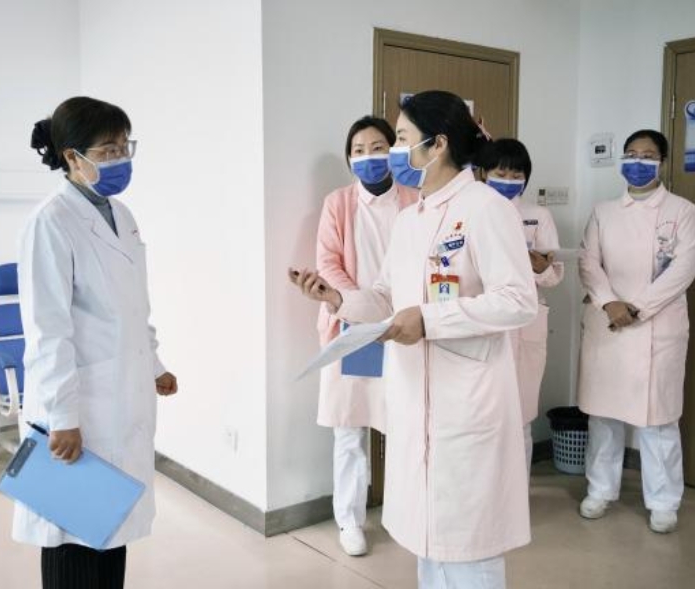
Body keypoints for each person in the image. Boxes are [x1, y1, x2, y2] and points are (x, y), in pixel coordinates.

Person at [290, 91, 537, 589]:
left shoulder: (486, 208)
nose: (395, 152)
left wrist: (428, 320)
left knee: (468, 546)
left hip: (467, 400)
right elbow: (385, 296)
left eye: (401, 139)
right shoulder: (411, 219)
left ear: (437, 144)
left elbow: (517, 300)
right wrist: (337, 300)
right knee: (428, 544)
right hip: (415, 396)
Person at [16, 96, 178, 589]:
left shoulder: (121, 214)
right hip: (77, 405)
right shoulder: (50, 221)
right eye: (108, 150)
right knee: (72, 537)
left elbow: (132, 308)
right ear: (72, 156)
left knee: (111, 527)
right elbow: (47, 330)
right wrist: (62, 417)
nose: (121, 158)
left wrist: (154, 365)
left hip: (121, 393)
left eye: (125, 147)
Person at [578, 129, 695, 534]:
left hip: (657, 326)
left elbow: (684, 268)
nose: (638, 162)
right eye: (631, 154)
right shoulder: (604, 211)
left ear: (662, 162)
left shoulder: (683, 211)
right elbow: (589, 262)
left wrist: (637, 307)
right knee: (603, 415)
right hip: (609, 323)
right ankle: (600, 489)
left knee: (658, 419)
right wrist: (610, 302)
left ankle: (663, 501)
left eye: (648, 155)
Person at [315, 116, 418, 556]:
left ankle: (405, 514)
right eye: (358, 150)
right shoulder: (338, 203)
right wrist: (362, 309)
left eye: (378, 147)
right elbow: (328, 264)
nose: (368, 157)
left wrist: (393, 315)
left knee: (405, 425)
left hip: (403, 327)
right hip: (354, 328)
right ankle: (350, 521)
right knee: (350, 427)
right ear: (348, 158)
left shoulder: (415, 200)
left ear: (395, 152)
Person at [475, 139, 564, 475]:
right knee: (482, 412)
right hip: (482, 318)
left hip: (525, 321)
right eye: (501, 172)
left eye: (516, 174)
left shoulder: (538, 216)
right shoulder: (472, 210)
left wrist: (540, 269)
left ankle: (517, 492)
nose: (508, 180)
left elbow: (555, 274)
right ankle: (485, 491)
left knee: (521, 413)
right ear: (483, 173)